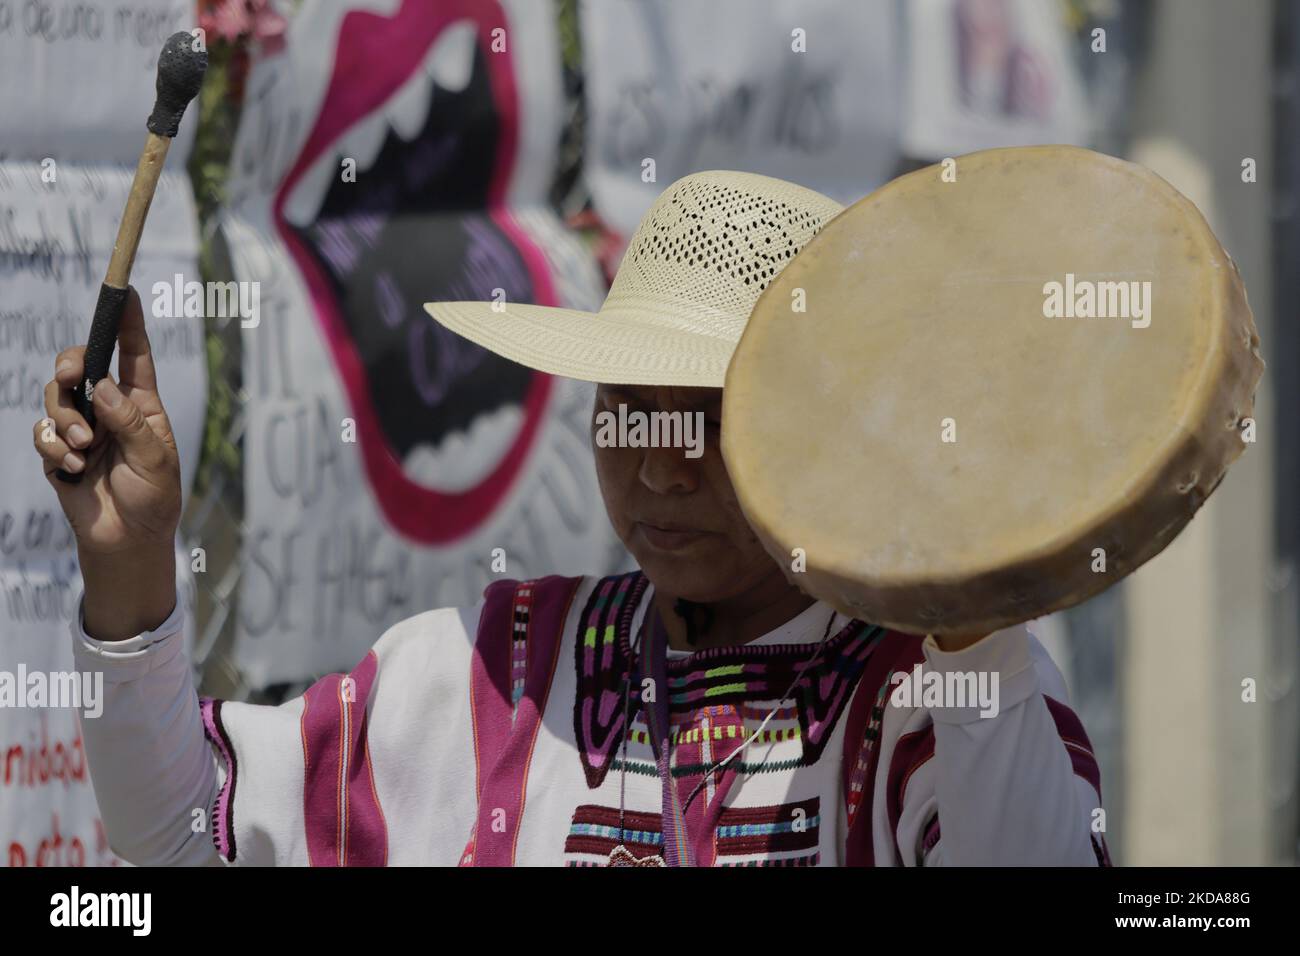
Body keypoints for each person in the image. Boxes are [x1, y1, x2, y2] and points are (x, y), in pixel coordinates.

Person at [34, 170, 1108, 866]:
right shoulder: (487, 670)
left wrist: (978, 625)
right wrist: (131, 576)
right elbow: (180, 832)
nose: (659, 465)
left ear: (822, 440)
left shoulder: (937, 688)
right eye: (630, 408)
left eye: (714, 420)